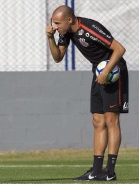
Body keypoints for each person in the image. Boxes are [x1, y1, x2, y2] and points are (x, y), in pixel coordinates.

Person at [46, 5, 129, 181]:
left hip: (113, 71)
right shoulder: (65, 33)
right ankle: (97, 171)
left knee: (111, 120)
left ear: (70, 19)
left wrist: (107, 71)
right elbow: (58, 57)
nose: (55, 26)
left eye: (58, 23)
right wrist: (50, 38)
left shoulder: (89, 28)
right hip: (99, 72)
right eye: (54, 23)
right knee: (97, 121)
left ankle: (110, 172)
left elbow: (119, 49)